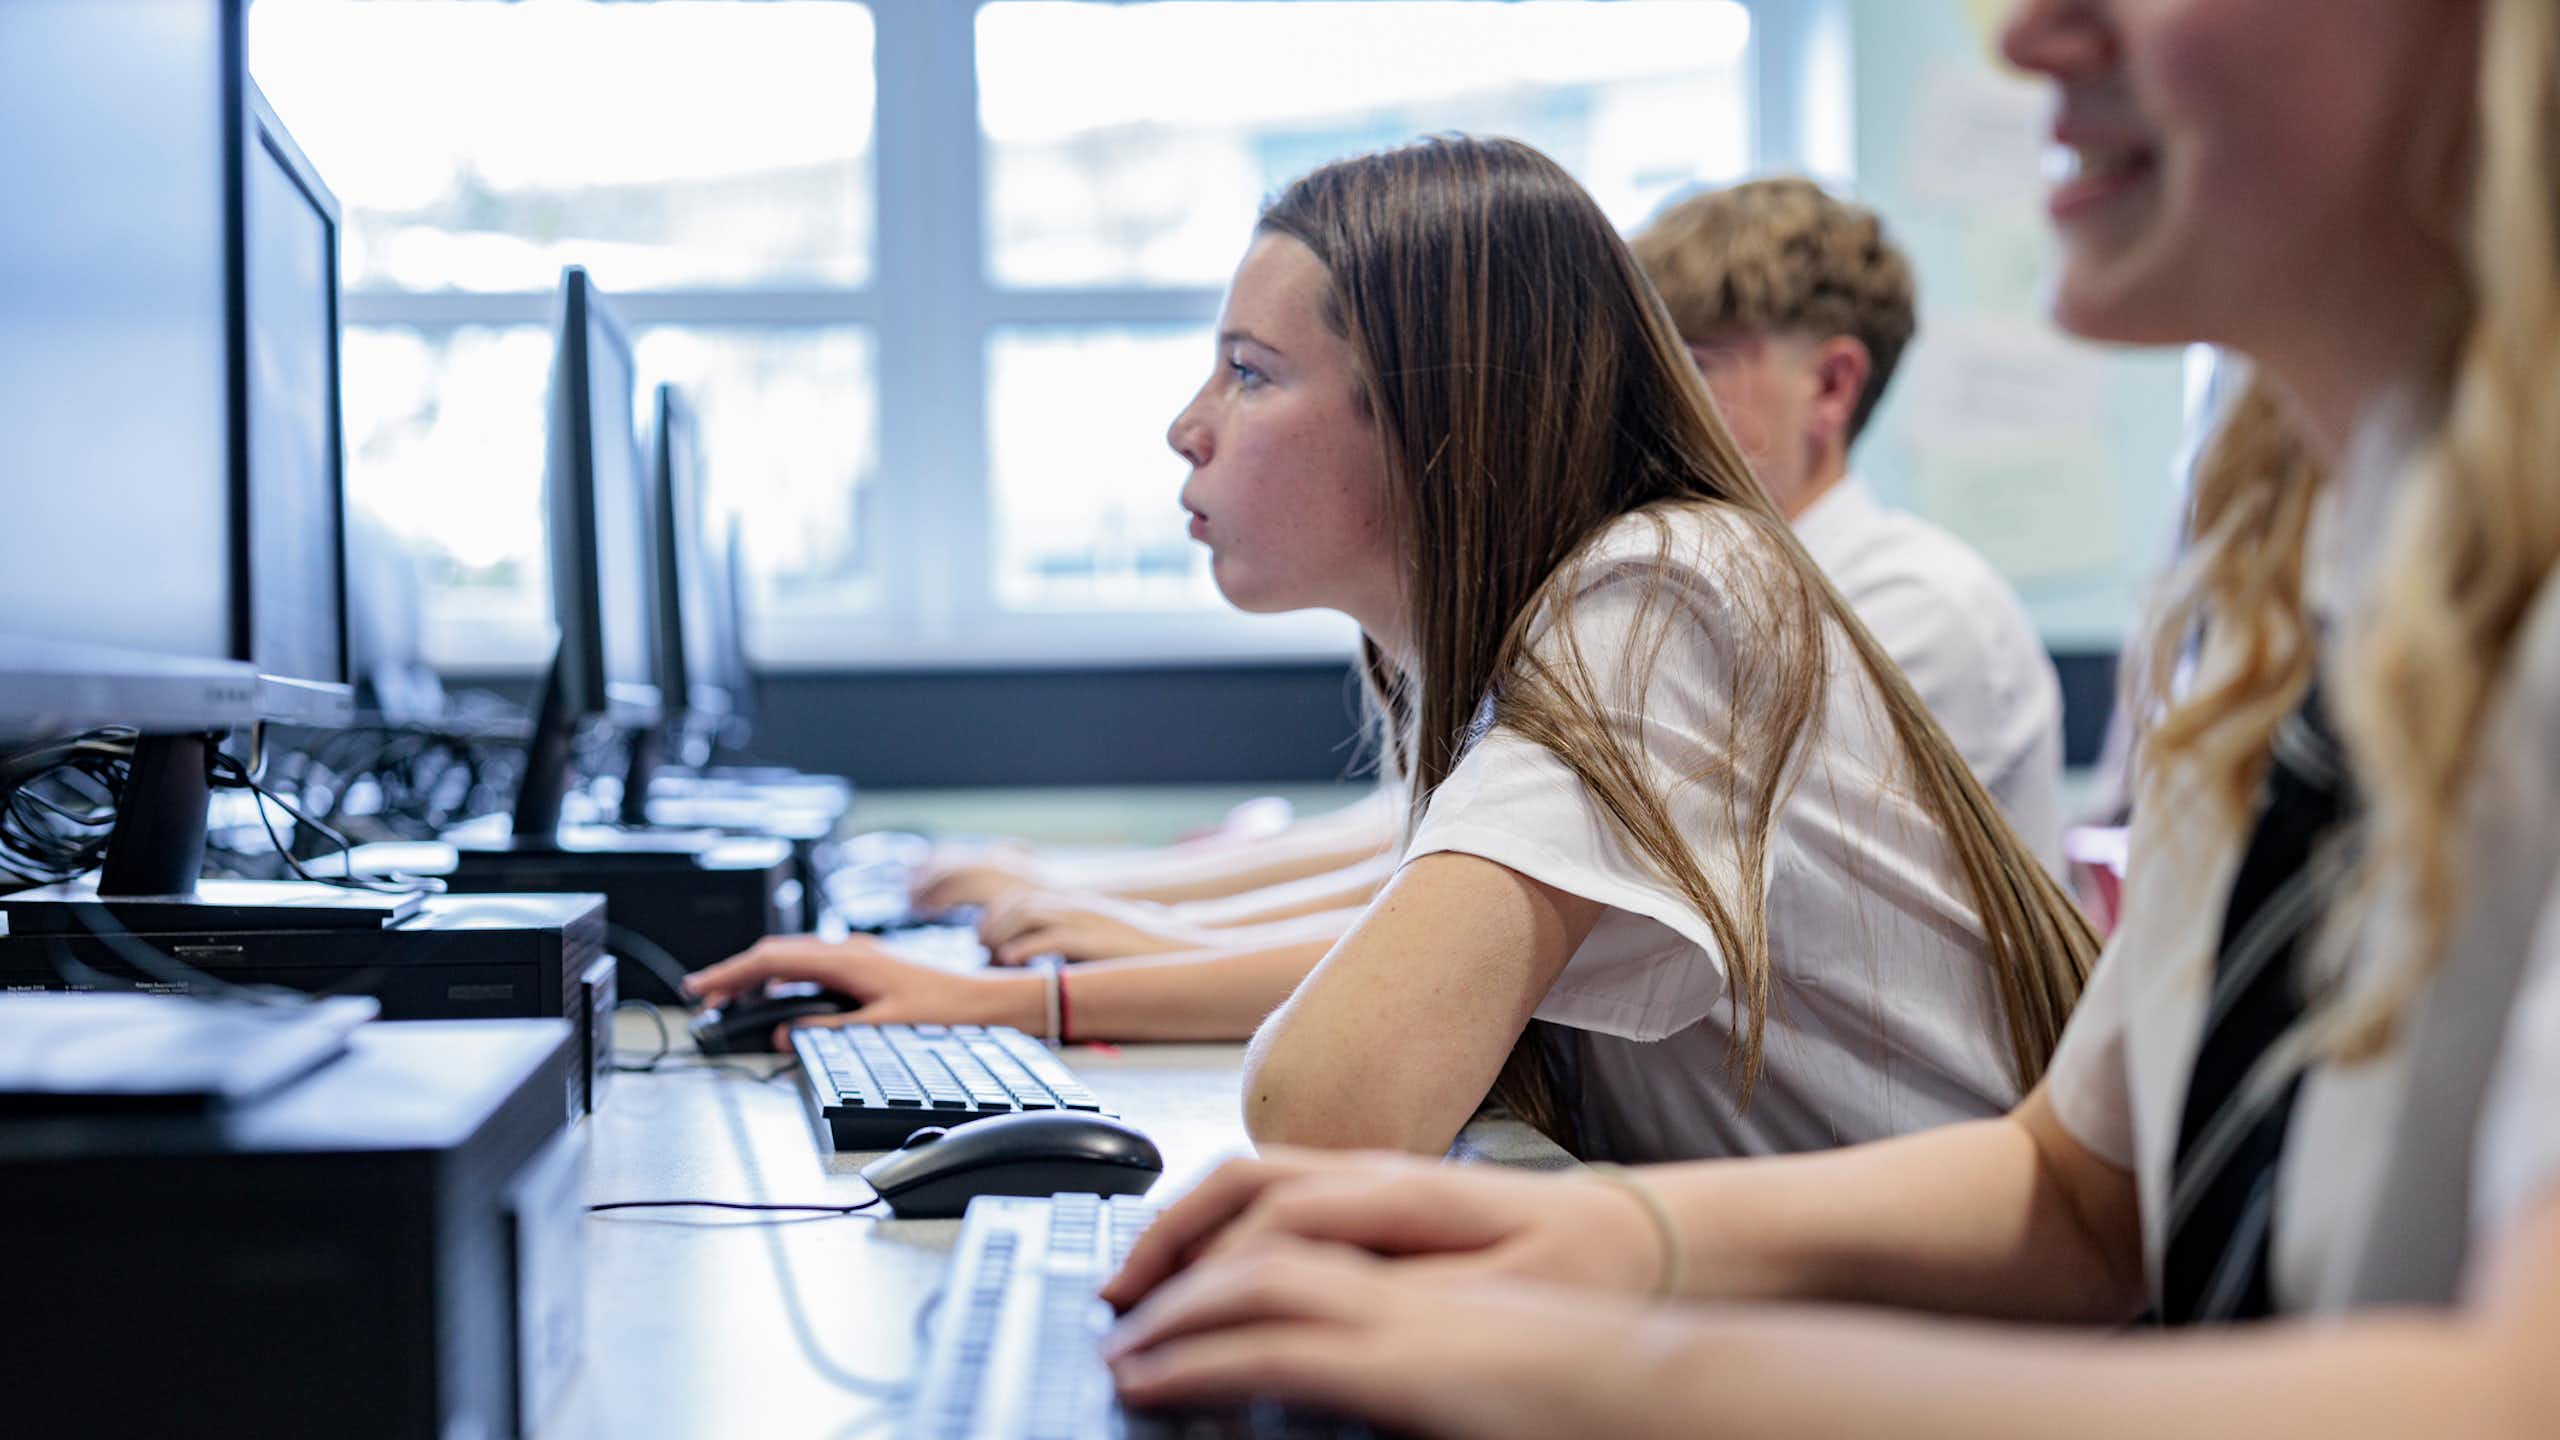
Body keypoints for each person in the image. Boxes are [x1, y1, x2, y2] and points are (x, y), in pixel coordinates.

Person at [1098, 0, 2560, 1430]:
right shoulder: (2275, 602)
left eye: (1251, 371)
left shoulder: (1677, 584)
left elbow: (2515, 1392)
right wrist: (1613, 1248)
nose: (2030, 30)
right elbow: (2079, 1191)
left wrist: (1613, 1362)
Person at [691, 133, 2095, 1161]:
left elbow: (1329, 1105)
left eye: (1249, 372)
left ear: (1436, 418)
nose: (1190, 427)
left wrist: (1041, 991)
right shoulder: (1574, 625)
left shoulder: (1665, 594)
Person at [968, 174, 2065, 966]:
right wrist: (1102, 901)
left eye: (1691, 362)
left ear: (1829, 389)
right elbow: (1423, 851)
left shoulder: (1886, 605)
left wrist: (1118, 942)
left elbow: (1467, 908)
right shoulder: (1638, 594)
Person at [1631, 177, 2066, 872]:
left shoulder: (1914, 607)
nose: (1649, 409)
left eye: (1693, 367)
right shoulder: (1696, 589)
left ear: (1830, 386)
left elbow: (1690, 880)